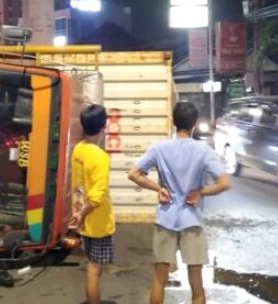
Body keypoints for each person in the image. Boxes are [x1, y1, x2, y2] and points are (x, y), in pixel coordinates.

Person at [128, 102, 231, 304]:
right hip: (191, 221)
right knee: (197, 285)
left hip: (165, 218)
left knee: (159, 280)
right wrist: (201, 191)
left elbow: (134, 174)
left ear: (173, 122)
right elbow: (224, 182)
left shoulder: (159, 148)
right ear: (194, 123)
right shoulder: (203, 150)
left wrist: (159, 189)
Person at [69, 104, 115, 304]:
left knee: (92, 265)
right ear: (103, 126)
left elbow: (79, 184)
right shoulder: (100, 156)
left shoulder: (79, 149)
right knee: (95, 268)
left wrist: (78, 214)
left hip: (82, 215)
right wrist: (82, 214)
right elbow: (97, 197)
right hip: (96, 220)